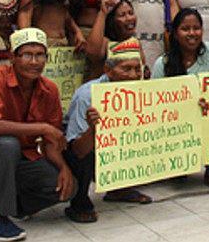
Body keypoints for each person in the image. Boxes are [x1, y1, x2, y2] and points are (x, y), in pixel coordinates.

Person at [0, 28, 75, 241]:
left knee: (65, 187)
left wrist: (63, 168)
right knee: (7, 144)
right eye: (27, 55)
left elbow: (50, 142)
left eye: (40, 55)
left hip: (22, 159)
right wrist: (42, 128)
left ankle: (12, 205)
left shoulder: (49, 89)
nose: (34, 62)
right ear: (13, 57)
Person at [150, 8, 209, 191]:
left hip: (207, 120)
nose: (192, 33)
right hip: (175, 125)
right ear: (175, 34)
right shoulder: (162, 64)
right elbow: (154, 104)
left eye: (196, 28)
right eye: (185, 29)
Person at [63, 38, 151, 223]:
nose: (134, 75)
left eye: (137, 69)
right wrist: (93, 129)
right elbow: (77, 149)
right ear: (108, 71)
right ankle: (79, 201)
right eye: (126, 69)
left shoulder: (142, 91)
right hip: (81, 149)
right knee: (84, 152)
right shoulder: (88, 95)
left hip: (114, 145)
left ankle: (119, 188)